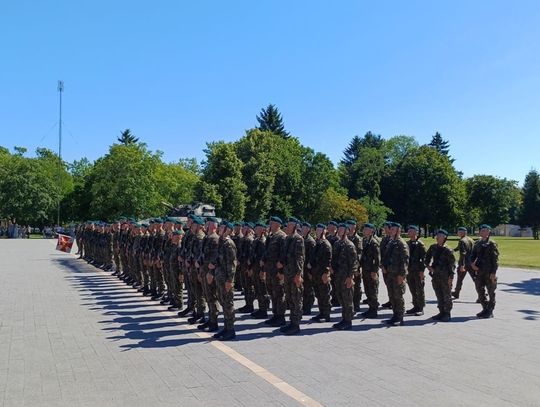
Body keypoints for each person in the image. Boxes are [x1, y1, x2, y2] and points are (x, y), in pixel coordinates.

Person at [277, 217, 305, 335]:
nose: (286, 227)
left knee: (296, 298)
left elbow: (300, 259)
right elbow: (284, 256)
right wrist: (281, 269)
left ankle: (296, 324)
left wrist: (298, 274)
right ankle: (291, 322)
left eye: (289, 225)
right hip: (288, 273)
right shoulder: (288, 238)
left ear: (294, 226)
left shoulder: (298, 239)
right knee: (289, 298)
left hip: (294, 274)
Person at [213, 221, 238, 341]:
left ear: (228, 230)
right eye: (220, 227)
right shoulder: (221, 242)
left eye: (223, 227)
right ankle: (226, 328)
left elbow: (232, 264)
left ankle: (231, 330)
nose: (220, 229)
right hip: (220, 277)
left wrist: (229, 280)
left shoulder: (229, 244)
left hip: (226, 279)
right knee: (223, 302)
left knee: (228, 304)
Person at [331, 223, 358, 330]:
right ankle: (344, 319)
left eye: (342, 229)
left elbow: (354, 263)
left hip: (346, 276)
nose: (340, 230)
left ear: (347, 231)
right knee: (341, 298)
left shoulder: (349, 245)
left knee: (347, 299)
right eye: (339, 229)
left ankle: (348, 321)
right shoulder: (337, 243)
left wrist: (350, 277)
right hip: (338, 276)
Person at [262, 216, 287, 327]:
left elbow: (284, 254)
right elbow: (267, 251)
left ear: (277, 224)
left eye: (272, 223)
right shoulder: (271, 236)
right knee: (272, 293)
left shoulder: (282, 237)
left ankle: (281, 317)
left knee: (279, 293)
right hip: (270, 270)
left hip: (277, 271)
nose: (270, 225)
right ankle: (275, 315)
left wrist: (281, 271)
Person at [426, 229, 455, 322]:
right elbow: (427, 257)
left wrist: (451, 278)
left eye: (440, 235)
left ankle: (447, 313)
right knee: (438, 293)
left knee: (446, 295)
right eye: (437, 235)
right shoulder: (433, 247)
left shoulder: (448, 250)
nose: (437, 237)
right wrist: (428, 266)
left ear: (445, 237)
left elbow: (452, 265)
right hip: (435, 275)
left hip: (445, 276)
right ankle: (441, 311)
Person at [383, 222, 409, 326]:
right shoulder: (391, 242)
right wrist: (384, 267)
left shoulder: (401, 243)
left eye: (394, 229)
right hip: (390, 273)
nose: (391, 230)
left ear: (398, 231)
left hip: (398, 274)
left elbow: (405, 261)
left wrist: (402, 275)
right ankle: (395, 315)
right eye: (391, 229)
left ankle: (400, 317)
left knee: (398, 296)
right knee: (392, 295)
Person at [197, 217, 220, 332]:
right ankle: (210, 319)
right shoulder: (207, 238)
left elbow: (214, 260)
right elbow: (203, 256)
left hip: (210, 273)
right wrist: (201, 270)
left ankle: (214, 322)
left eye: (207, 223)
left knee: (212, 297)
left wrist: (210, 273)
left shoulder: (215, 239)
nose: (205, 225)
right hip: (204, 271)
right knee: (207, 296)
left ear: (213, 226)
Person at [471, 224, 499, 318]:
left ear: (489, 232)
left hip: (489, 271)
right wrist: (472, 264)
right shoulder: (477, 243)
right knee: (479, 290)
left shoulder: (492, 244)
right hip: (479, 271)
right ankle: (485, 308)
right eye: (482, 230)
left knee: (491, 291)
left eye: (486, 230)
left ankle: (490, 310)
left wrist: (493, 273)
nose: (483, 232)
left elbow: (495, 260)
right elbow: (472, 255)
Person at [308, 223, 332, 322]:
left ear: (324, 231)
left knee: (324, 295)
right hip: (316, 273)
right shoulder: (317, 243)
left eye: (320, 230)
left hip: (322, 274)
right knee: (318, 294)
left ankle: (326, 315)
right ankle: (321, 312)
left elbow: (328, 260)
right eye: (316, 230)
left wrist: (326, 273)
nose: (317, 232)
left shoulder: (326, 244)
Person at [359, 223, 380, 319]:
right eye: (364, 229)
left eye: (366, 229)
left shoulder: (374, 242)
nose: (364, 231)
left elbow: (377, 258)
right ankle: (370, 308)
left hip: (371, 271)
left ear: (371, 231)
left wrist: (374, 271)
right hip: (365, 270)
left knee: (372, 291)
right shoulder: (365, 240)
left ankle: (374, 310)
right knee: (367, 290)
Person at [406, 225, 427, 316]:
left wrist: (422, 271)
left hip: (418, 271)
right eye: (408, 231)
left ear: (415, 232)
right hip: (409, 270)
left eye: (410, 231)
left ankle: (421, 307)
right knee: (412, 289)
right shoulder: (408, 244)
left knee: (419, 289)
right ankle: (415, 306)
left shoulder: (420, 245)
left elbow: (424, 259)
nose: (408, 232)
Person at [250, 222, 269, 319]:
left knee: (263, 290)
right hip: (255, 268)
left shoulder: (263, 241)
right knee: (258, 289)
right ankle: (261, 308)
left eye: (257, 228)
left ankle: (264, 310)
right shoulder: (256, 240)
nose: (255, 229)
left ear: (262, 230)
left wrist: (263, 271)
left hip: (261, 269)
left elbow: (264, 258)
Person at [452, 227, 476, 300]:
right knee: (475, 278)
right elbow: (459, 248)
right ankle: (482, 293)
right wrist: (452, 250)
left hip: (464, 263)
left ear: (462, 232)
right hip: (471, 262)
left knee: (460, 279)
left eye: (458, 232)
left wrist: (462, 265)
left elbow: (463, 253)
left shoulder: (462, 241)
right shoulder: (471, 240)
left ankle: (456, 292)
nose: (457, 233)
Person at [301, 222, 316, 316]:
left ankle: (308, 307)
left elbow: (312, 257)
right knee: (304, 288)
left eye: (304, 228)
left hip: (308, 268)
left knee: (309, 289)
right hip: (302, 268)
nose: (302, 229)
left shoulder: (310, 241)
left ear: (308, 230)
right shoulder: (303, 239)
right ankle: (304, 305)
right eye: (302, 228)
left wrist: (310, 271)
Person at [379, 221, 393, 309]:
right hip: (384, 266)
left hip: (391, 267)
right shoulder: (385, 238)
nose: (384, 229)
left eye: (385, 227)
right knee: (388, 284)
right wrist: (382, 265)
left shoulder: (393, 239)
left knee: (393, 285)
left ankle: (394, 302)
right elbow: (381, 252)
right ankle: (391, 300)